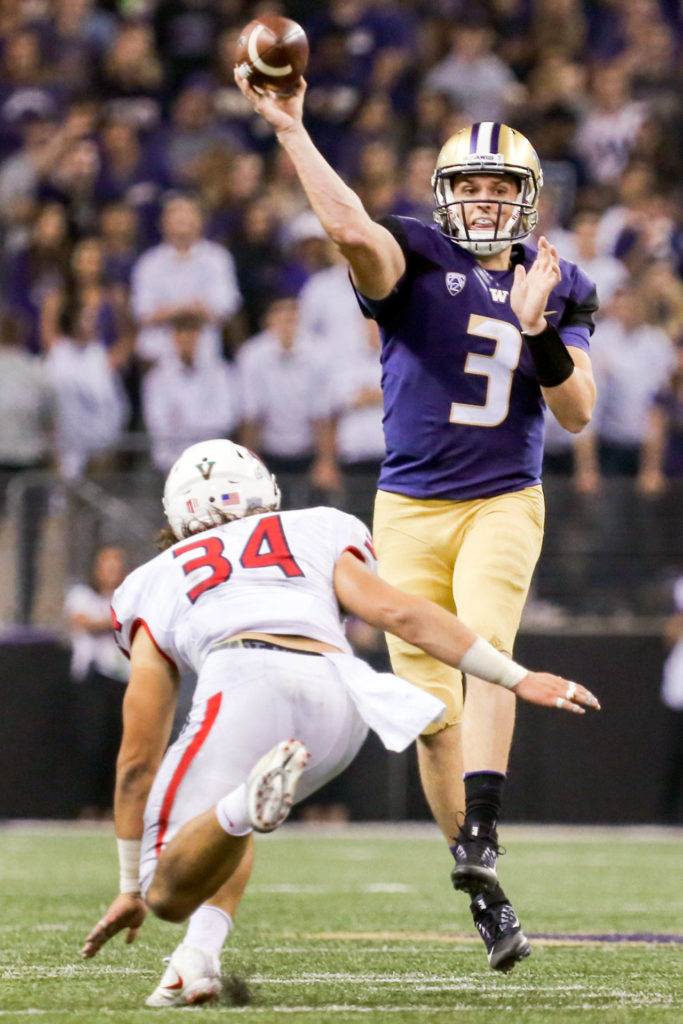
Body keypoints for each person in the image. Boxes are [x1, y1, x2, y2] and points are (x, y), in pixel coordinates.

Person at [235, 74, 599, 970]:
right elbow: (349, 226)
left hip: (503, 497)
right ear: (445, 196)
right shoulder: (414, 257)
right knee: (430, 718)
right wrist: (290, 131)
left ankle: (482, 828)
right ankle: (480, 886)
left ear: (527, 197)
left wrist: (538, 331)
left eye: (498, 186)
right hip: (406, 507)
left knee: (485, 648)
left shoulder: (557, 280)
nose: (482, 200)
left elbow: (580, 412)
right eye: (468, 186)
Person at [80, 440, 599, 1005]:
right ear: (264, 490)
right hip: (341, 700)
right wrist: (513, 675)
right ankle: (195, 959)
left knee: (167, 889)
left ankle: (239, 808)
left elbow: (137, 756)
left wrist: (130, 884)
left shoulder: (152, 578)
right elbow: (400, 614)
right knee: (230, 816)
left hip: (245, 680)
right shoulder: (315, 527)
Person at [65, 544, 130, 818]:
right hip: (93, 679)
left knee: (122, 743)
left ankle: (115, 807)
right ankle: (88, 805)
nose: (111, 571)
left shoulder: (127, 594)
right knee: (93, 741)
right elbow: (84, 621)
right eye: (106, 565)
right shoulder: (81, 594)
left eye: (116, 565)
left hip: (124, 678)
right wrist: (116, 621)